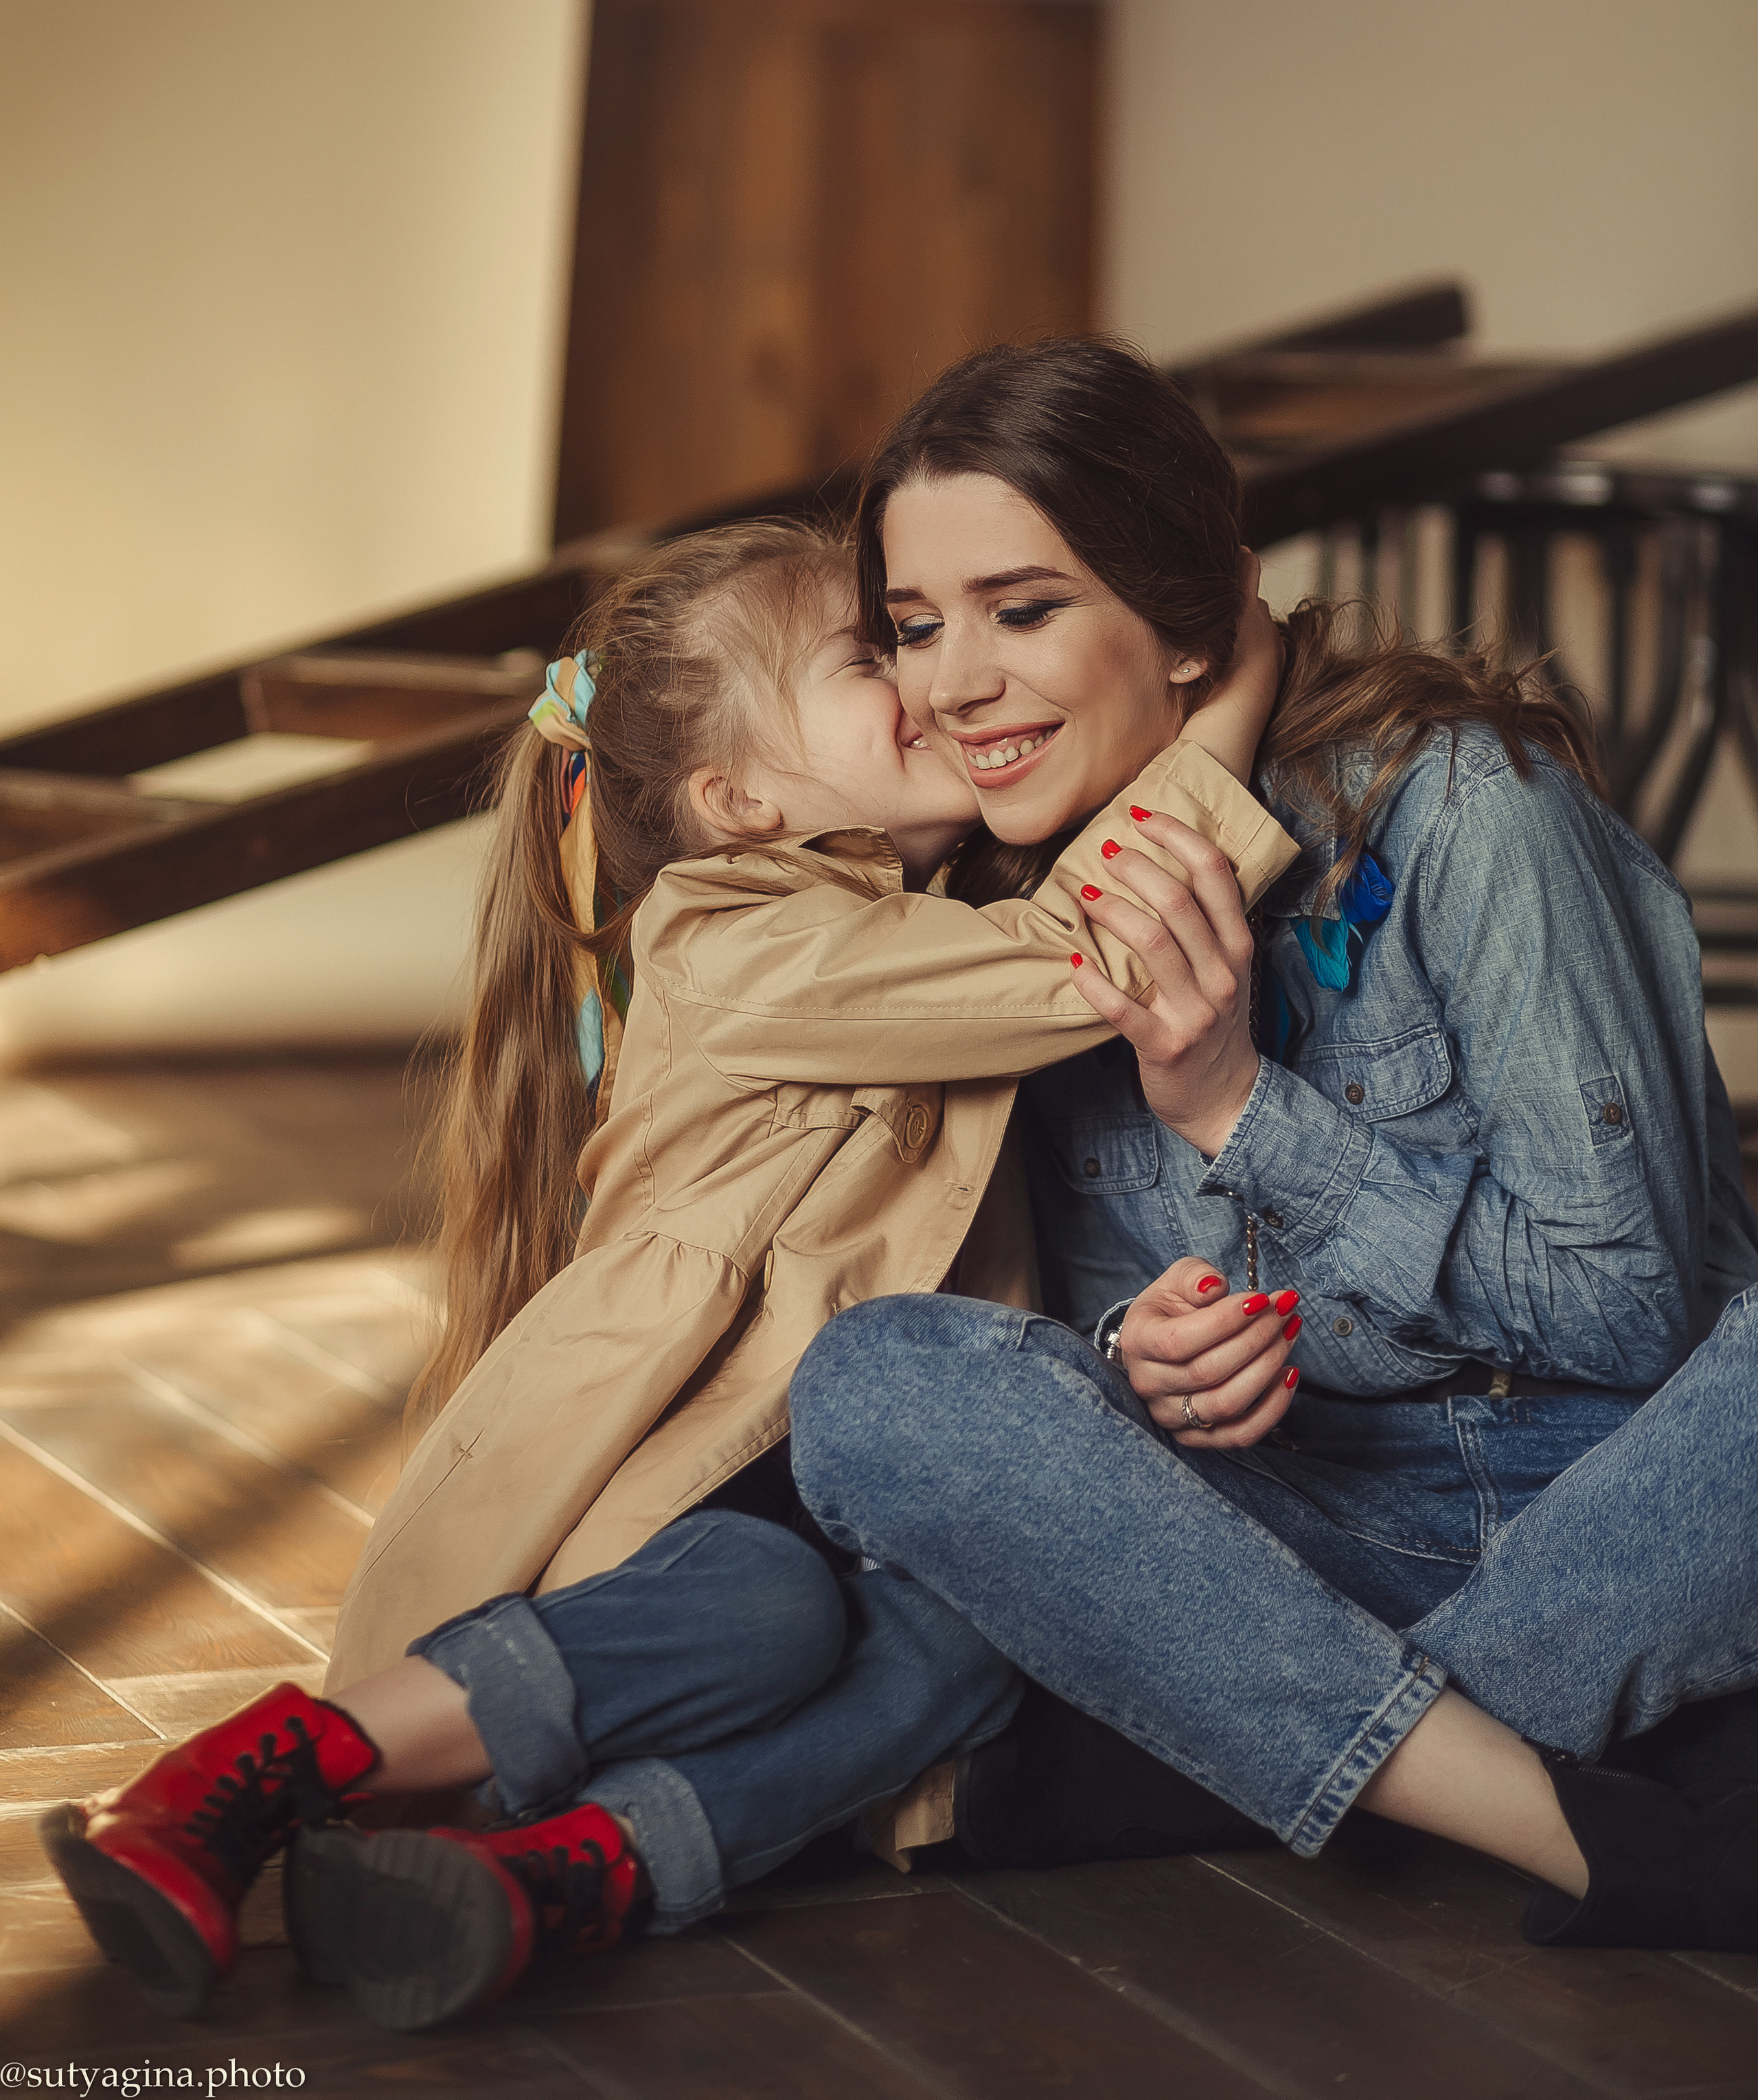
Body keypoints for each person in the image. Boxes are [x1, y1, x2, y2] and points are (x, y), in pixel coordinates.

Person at [41, 515, 1295, 2029]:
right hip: (679, 1501)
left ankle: (574, 1871)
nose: (925, 675)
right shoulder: (731, 935)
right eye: (870, 650)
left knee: (975, 1640)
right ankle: (255, 1782)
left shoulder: (920, 930)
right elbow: (1086, 957)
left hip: (843, 1506)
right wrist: (1220, 693)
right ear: (743, 798)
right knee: (764, 1607)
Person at [786, 333, 1758, 1951]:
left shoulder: (1465, 807)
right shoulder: (997, 918)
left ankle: (1212, 1762)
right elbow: (1087, 1321)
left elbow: (1633, 1310)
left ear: (1181, 622)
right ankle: (1542, 1764)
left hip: (1617, 1491)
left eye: (1020, 611)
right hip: (1295, 1528)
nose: (952, 684)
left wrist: (1240, 1110)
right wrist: (1139, 1349)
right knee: (872, 1385)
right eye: (911, 627)